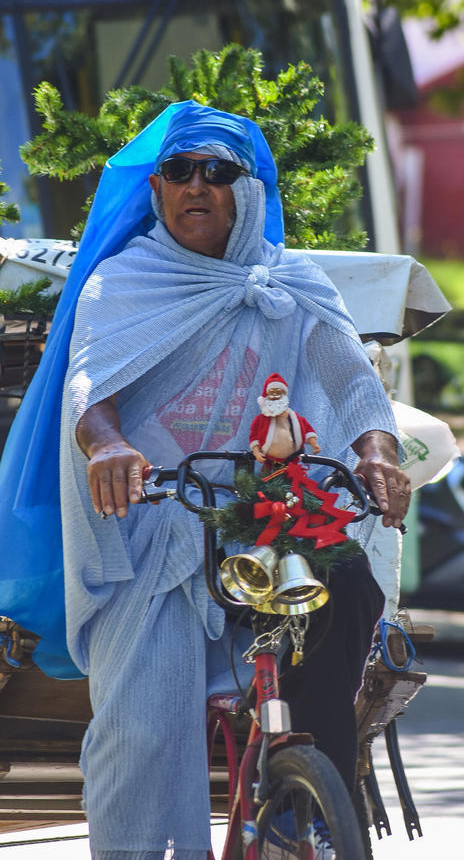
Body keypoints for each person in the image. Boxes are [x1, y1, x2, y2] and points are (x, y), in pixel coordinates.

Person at [56, 102, 411, 860]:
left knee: (346, 588)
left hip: (270, 515)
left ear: (248, 190)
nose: (197, 185)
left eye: (217, 171)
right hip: (154, 528)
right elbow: (90, 386)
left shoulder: (294, 282)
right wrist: (108, 445)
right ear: (155, 189)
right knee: (141, 730)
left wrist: (377, 451)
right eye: (179, 171)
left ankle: (304, 795)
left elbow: (352, 379)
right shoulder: (121, 281)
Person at [249, 372, 321, 464]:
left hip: (293, 463)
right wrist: (256, 452)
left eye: (278, 392)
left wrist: (314, 444)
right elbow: (254, 437)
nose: (275, 396)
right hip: (270, 464)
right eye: (272, 392)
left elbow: (308, 431)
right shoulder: (260, 420)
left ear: (284, 395)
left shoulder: (296, 419)